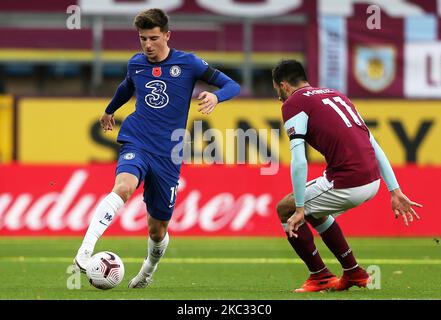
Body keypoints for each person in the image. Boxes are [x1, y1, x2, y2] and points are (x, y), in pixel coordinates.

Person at [74, 8, 240, 288]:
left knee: (157, 228)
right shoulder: (136, 64)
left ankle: (147, 272)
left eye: (153, 38)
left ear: (167, 35)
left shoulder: (189, 63)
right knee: (123, 187)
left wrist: (216, 96)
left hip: (169, 153)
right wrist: (110, 110)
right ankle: (86, 249)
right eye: (142, 39)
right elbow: (127, 87)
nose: (148, 45)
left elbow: (231, 84)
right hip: (137, 138)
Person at [272, 60, 422, 292]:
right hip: (372, 180)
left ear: (283, 85)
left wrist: (299, 208)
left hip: (348, 181)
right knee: (316, 210)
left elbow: (299, 160)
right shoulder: (336, 95)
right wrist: (395, 190)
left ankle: (319, 276)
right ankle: (353, 272)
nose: (278, 97)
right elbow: (374, 145)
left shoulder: (294, 103)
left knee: (286, 208)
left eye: (277, 91)